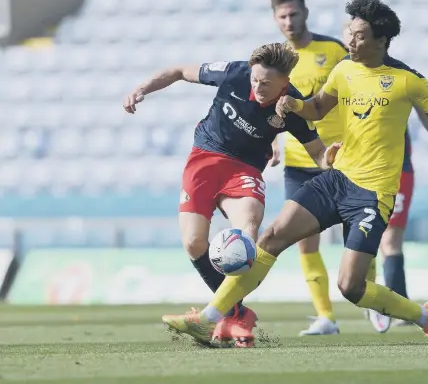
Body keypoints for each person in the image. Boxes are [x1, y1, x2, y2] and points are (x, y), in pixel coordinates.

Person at [162, 0, 428, 347]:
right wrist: (294, 105)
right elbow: (316, 109)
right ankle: (210, 319)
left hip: (372, 195)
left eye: (360, 36)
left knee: (351, 287)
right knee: (270, 239)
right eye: (350, 33)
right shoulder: (343, 69)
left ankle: (425, 317)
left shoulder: (408, 80)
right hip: (335, 180)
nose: (351, 41)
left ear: (381, 40)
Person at [123, 43, 338, 348]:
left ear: (285, 81)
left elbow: (318, 154)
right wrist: (140, 89)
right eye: (255, 80)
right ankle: (237, 314)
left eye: (266, 84)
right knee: (194, 243)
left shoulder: (293, 106)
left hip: (245, 170)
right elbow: (178, 71)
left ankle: (223, 316)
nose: (258, 87)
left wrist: (332, 159)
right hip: (205, 158)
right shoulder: (235, 73)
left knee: (247, 233)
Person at [340, 23, 428, 333]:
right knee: (362, 239)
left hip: (397, 170)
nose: (352, 41)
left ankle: (400, 304)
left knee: (391, 239)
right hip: (353, 171)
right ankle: (375, 295)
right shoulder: (343, 76)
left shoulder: (400, 78)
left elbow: (427, 111)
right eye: (349, 35)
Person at [270, 0, 348, 336]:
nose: (289, 21)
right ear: (276, 19)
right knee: (304, 239)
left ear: (305, 13)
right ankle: (326, 316)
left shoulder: (333, 50)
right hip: (298, 160)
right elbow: (268, 105)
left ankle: (373, 300)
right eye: (283, 16)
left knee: (357, 232)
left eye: (294, 14)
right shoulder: (276, 61)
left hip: (341, 157)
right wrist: (271, 141)